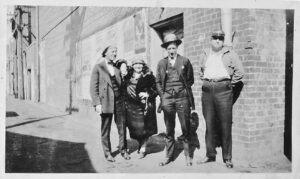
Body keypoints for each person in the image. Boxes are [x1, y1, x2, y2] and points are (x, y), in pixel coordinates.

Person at [197, 30, 244, 168]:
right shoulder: (205, 53)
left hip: (223, 90)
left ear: (223, 41)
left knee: (225, 124)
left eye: (220, 38)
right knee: (209, 124)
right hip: (207, 91)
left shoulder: (230, 53)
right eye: (215, 38)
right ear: (211, 39)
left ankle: (227, 157)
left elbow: (240, 72)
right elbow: (201, 70)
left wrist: (229, 84)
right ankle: (210, 155)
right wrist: (206, 81)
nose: (218, 40)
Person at [156, 33, 195, 166]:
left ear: (177, 48)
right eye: (169, 49)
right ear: (166, 50)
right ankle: (169, 155)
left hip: (182, 98)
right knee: (169, 127)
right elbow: (158, 82)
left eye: (173, 48)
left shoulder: (185, 61)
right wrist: (163, 95)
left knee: (185, 126)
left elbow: (190, 80)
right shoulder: (162, 63)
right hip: (167, 98)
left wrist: (183, 91)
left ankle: (188, 155)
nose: (171, 51)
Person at [90, 45, 131, 162]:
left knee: (122, 127)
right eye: (112, 51)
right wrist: (97, 103)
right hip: (106, 101)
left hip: (119, 101)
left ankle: (123, 150)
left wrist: (124, 67)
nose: (115, 53)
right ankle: (107, 153)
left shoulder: (117, 69)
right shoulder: (98, 67)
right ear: (106, 53)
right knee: (105, 128)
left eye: (116, 52)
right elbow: (93, 87)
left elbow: (125, 75)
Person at [123, 59, 158, 159]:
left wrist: (148, 94)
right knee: (135, 130)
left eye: (140, 64)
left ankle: (143, 148)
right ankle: (140, 143)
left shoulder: (149, 76)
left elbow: (156, 88)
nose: (138, 66)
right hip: (131, 107)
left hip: (144, 106)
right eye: (136, 64)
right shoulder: (128, 76)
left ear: (143, 66)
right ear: (133, 66)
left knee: (145, 129)